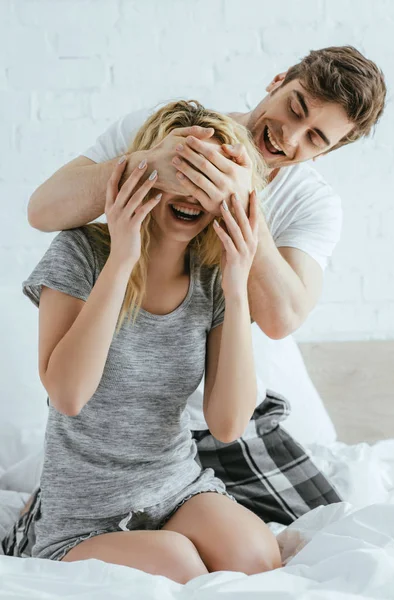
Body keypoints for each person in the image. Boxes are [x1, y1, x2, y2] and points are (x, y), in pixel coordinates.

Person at [2, 46, 386, 558]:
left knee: (277, 549)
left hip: (197, 441)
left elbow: (281, 320)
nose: (291, 136)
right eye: (296, 108)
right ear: (278, 81)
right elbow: (44, 210)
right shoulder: (159, 133)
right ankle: (47, 518)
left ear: (327, 150)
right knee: (178, 560)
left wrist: (242, 230)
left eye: (316, 136)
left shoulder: (300, 211)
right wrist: (143, 170)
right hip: (99, 444)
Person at [4, 101, 283, 582]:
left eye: (207, 178)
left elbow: (228, 424)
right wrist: (122, 258)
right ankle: (37, 523)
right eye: (183, 170)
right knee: (177, 562)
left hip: (173, 486)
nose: (192, 192)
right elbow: (68, 395)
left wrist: (238, 287)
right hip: (84, 511)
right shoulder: (80, 252)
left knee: (257, 558)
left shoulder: (214, 277)